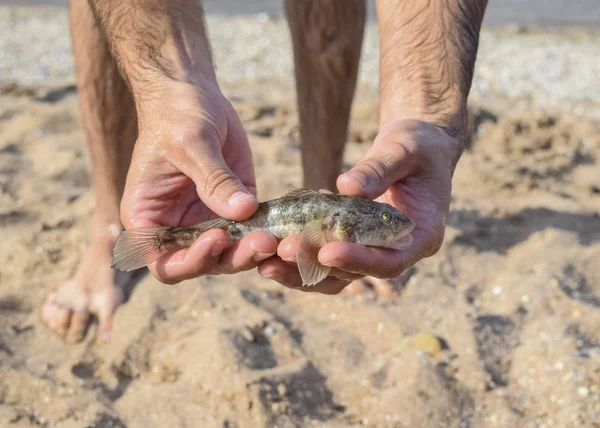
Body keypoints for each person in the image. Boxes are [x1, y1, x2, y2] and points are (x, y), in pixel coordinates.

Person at [41, 0, 488, 343]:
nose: (393, 222)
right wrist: (170, 89)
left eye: (387, 219)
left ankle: (323, 172)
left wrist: (424, 116)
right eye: (387, 219)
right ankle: (108, 224)